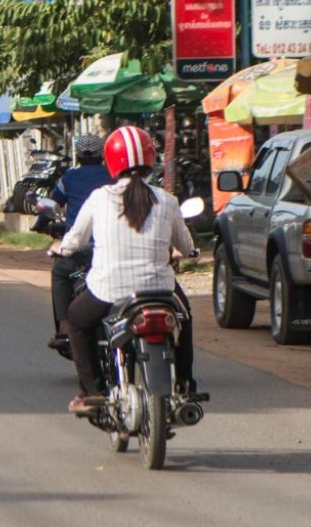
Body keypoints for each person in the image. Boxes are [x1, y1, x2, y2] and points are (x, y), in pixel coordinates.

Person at [50, 125, 197, 412]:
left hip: (109, 289)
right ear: (150, 160)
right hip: (160, 290)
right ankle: (185, 384)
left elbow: (74, 240)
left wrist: (62, 248)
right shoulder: (166, 199)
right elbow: (187, 245)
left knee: (77, 320)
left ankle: (92, 392)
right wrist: (189, 252)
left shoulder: (99, 198)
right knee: (185, 318)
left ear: (111, 162)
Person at [44, 134, 107, 352]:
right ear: (102, 156)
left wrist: (40, 223)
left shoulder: (69, 178)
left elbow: (52, 203)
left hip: (79, 248)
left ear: (78, 156)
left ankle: (64, 328)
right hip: (111, 246)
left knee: (60, 272)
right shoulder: (114, 177)